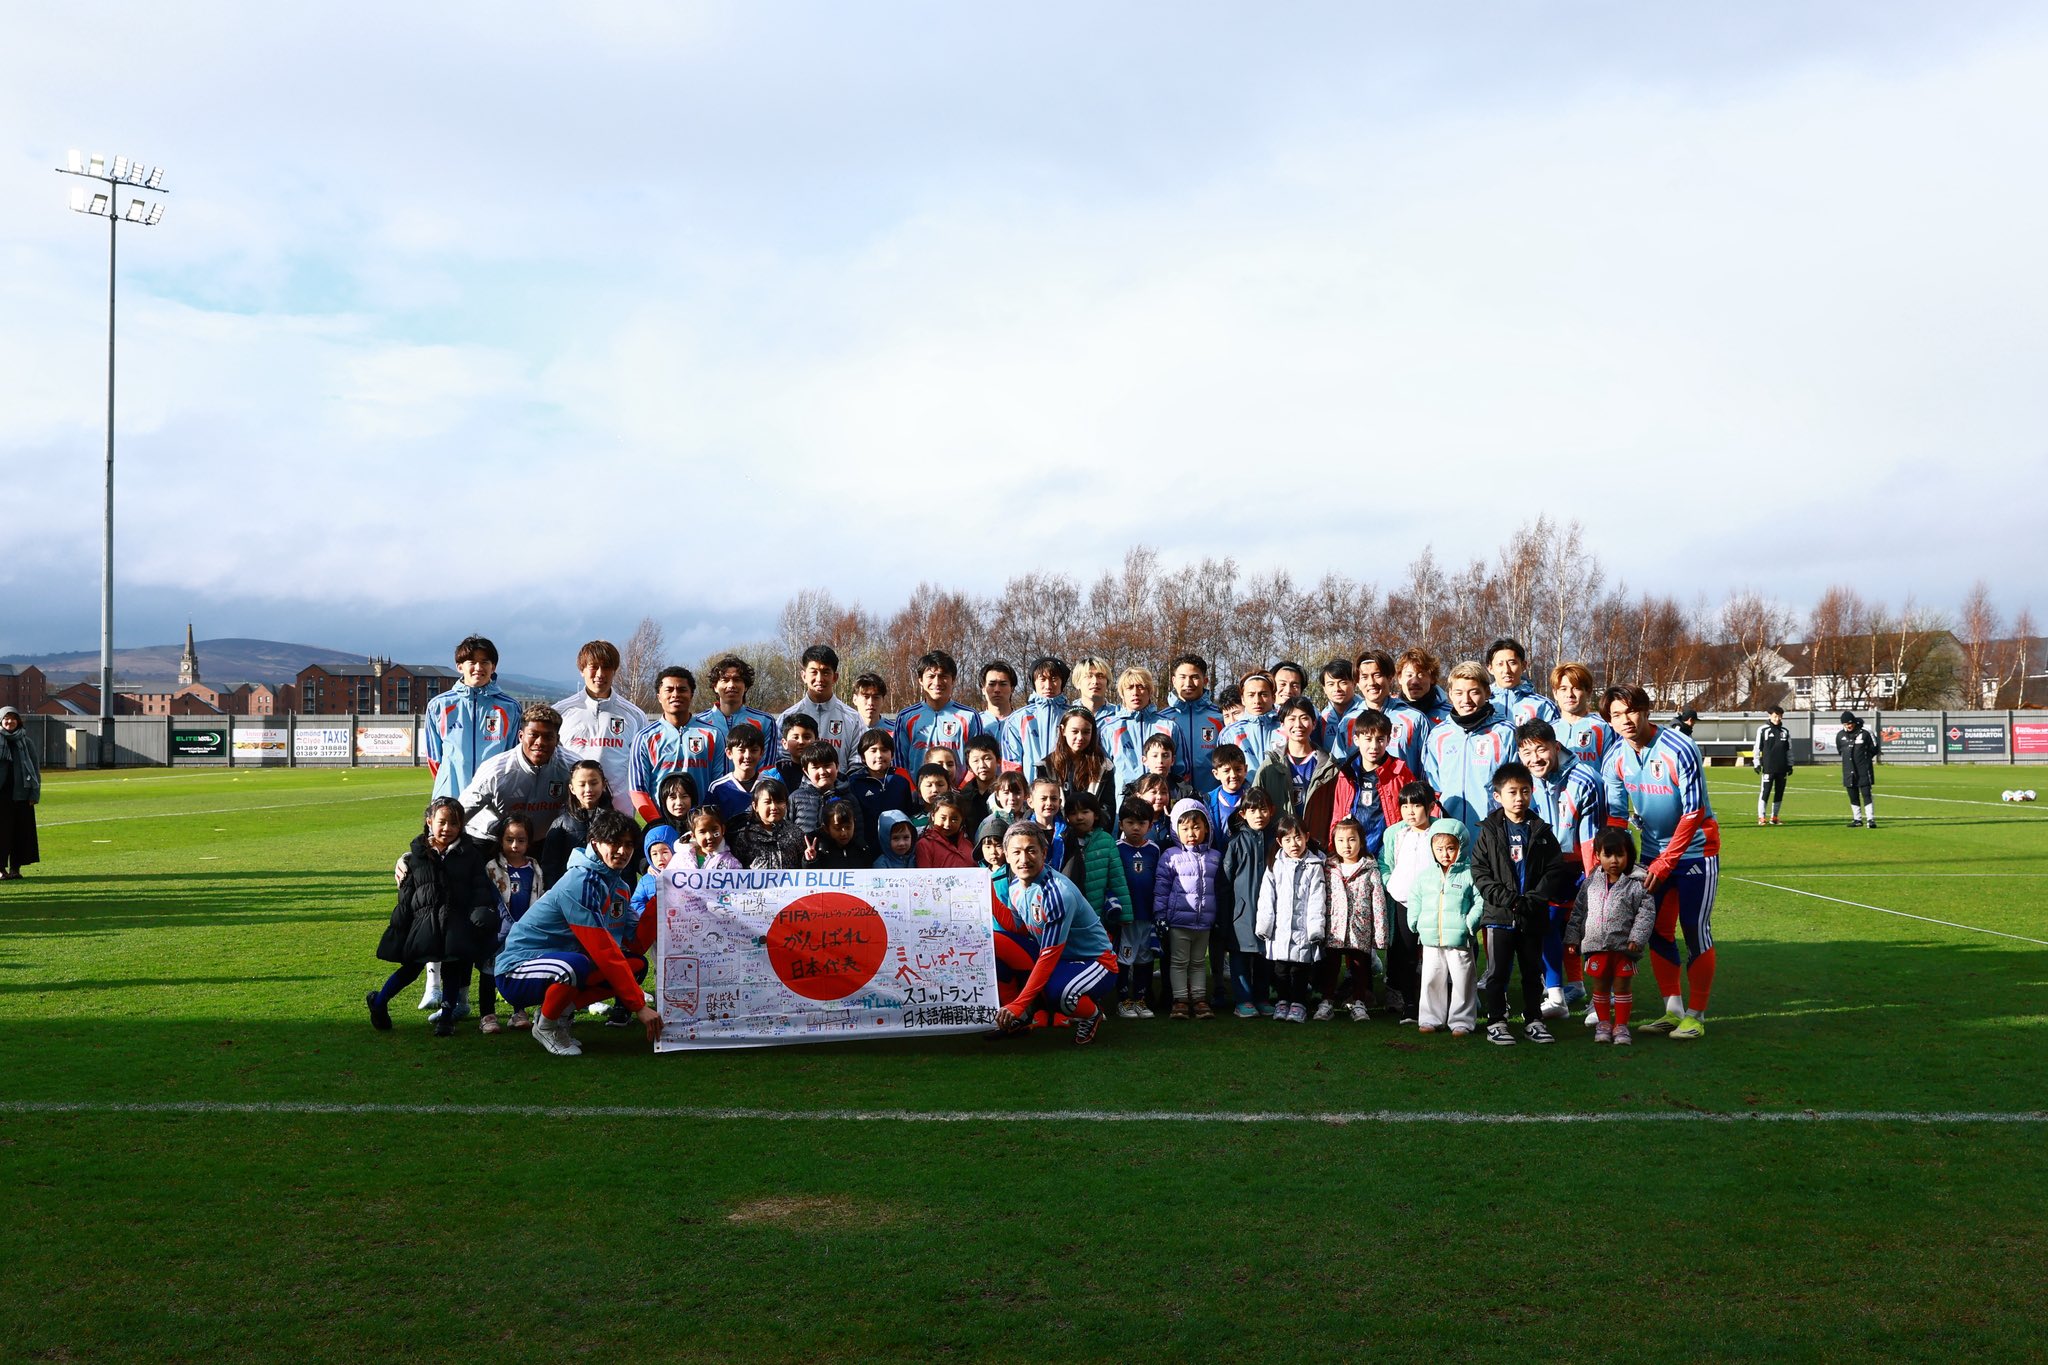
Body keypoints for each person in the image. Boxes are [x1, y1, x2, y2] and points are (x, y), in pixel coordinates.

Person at [493, 807, 664, 1057]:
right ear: (594, 842)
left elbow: (635, 943)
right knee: (575, 966)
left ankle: (556, 1015)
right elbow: (602, 949)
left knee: (635, 965)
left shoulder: (619, 887)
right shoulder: (581, 881)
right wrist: (639, 1006)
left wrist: (661, 901)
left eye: (628, 844)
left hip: (564, 962)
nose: (622, 851)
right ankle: (547, 1027)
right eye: (614, 842)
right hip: (517, 969)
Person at [1601, 684, 1720, 1040]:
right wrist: (1614, 860)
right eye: (1616, 715)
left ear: (1647, 710)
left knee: (1695, 930)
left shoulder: (1679, 748)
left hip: (1696, 852)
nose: (1626, 720)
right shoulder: (1615, 757)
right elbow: (1617, 816)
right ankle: (1673, 1011)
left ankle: (1696, 1016)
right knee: (1655, 931)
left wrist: (1668, 860)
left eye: (1631, 711)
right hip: (1653, 856)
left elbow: (1694, 810)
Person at [366, 796, 497, 1037]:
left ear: (462, 826)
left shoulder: (469, 854)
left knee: (452, 968)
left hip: (456, 922)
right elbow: (406, 895)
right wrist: (400, 925)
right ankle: (380, 1001)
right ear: (429, 822)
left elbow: (479, 886)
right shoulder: (416, 855)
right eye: (442, 822)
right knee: (411, 969)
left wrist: (481, 912)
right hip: (423, 923)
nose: (448, 829)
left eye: (455, 824)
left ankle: (446, 1018)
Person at [1470, 762, 1574, 1046]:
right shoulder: (1489, 831)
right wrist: (1508, 899)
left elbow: (1554, 870)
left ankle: (1533, 1020)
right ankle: (1497, 1021)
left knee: (1532, 971)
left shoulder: (1541, 830)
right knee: (1497, 972)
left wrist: (1533, 899)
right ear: (1497, 796)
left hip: (1532, 914)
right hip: (1499, 916)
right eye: (1512, 792)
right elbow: (1480, 872)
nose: (1519, 798)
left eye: (1525, 791)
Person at [991, 819, 1119, 1044]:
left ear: (1044, 852)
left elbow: (1049, 956)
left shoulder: (1058, 894)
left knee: (1060, 994)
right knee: (995, 945)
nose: (1024, 859)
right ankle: (1022, 1016)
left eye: (1031, 850)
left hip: (1095, 961)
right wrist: (988, 898)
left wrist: (1020, 1002)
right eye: (1017, 852)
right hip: (1059, 959)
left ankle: (1092, 1015)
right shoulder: (1015, 886)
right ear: (1007, 856)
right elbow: (1018, 928)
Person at [1516, 719, 1603, 1021]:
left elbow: (1592, 837)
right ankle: (1556, 997)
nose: (1534, 759)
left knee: (1592, 929)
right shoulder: (1523, 780)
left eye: (1540, 750)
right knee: (1546, 925)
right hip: (1546, 867)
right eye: (1526, 753)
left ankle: (1600, 1000)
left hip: (1581, 864)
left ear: (1555, 746)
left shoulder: (1585, 779)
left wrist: (1595, 884)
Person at [1566, 827, 1660, 1045]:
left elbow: (1646, 914)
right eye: (1608, 855)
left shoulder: (1638, 882)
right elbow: (1579, 910)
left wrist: (1637, 938)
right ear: (1598, 855)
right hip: (1596, 945)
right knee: (1599, 987)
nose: (1614, 860)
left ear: (1629, 855)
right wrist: (1572, 937)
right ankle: (1603, 1023)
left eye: (1619, 854)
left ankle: (1621, 1026)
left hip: (1624, 948)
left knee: (1621, 987)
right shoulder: (1591, 882)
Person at [457, 702, 575, 844]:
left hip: (541, 840)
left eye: (548, 737)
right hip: (491, 839)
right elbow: (461, 812)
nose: (540, 742)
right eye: (533, 735)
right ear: (521, 736)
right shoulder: (496, 770)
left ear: (557, 739)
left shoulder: (573, 768)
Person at [554, 640, 647, 817]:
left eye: (606, 667)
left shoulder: (635, 715)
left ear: (614, 671)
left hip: (619, 812)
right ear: (582, 670)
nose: (600, 673)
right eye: (593, 667)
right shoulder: (561, 712)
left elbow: (641, 767)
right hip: (572, 812)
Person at [424, 635, 523, 801]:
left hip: (494, 799)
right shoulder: (438, 706)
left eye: (484, 662)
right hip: (450, 798)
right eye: (472, 662)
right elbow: (434, 759)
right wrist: (448, 784)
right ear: (460, 666)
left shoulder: (510, 707)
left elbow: (514, 757)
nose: (478, 667)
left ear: (493, 667)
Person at [1421, 661, 1520, 830]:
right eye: (1458, 693)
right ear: (1450, 694)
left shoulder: (1505, 733)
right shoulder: (1438, 735)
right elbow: (1433, 788)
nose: (1466, 700)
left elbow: (1517, 786)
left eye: (1474, 692)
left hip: (1492, 832)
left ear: (1487, 692)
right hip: (1450, 836)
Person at [1406, 819, 1481, 1036]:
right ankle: (1430, 1019)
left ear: (1461, 847)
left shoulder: (1469, 875)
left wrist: (1470, 923)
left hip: (1459, 939)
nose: (1445, 854)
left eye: (1450, 848)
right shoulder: (1425, 876)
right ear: (1432, 849)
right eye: (1439, 849)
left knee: (1463, 981)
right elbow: (1416, 898)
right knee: (1430, 978)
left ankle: (1462, 1021)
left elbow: (1480, 901)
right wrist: (1415, 920)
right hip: (1430, 938)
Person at [1377, 781, 1440, 1025]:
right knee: (1405, 953)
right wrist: (1390, 883)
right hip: (1403, 901)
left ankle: (1434, 1003)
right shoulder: (1395, 833)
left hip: (1434, 902)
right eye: (1404, 806)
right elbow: (1385, 861)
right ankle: (1409, 1005)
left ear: (1431, 807)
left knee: (1434, 953)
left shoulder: (1439, 830)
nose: (1410, 811)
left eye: (1416, 805)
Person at [1256, 813, 1328, 1023]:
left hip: (1303, 930)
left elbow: (1317, 898)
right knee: (1281, 969)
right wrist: (1265, 925)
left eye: (1297, 838)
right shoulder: (1274, 865)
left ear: (1306, 837)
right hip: (1280, 929)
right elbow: (1266, 897)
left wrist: (1315, 929)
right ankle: (1282, 1001)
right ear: (1279, 842)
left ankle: (1298, 1003)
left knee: (1300, 968)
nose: (1293, 843)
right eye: (1287, 839)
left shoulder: (1315, 866)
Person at [1153, 799, 1221, 1019]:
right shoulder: (1171, 856)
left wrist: (1218, 915)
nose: (1191, 833)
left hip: (1204, 922)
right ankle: (1180, 1000)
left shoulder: (1215, 857)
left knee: (1199, 962)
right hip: (1178, 921)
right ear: (1176, 830)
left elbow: (1219, 890)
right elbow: (1161, 889)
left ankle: (1200, 1000)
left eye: (1196, 827)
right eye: (1185, 829)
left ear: (1206, 828)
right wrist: (1160, 916)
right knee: (1179, 961)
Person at [1216, 786, 1278, 1017]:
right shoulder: (1235, 843)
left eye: (1263, 809)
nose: (1259, 815)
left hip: (1271, 911)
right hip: (1240, 913)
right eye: (1253, 810)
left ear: (1271, 811)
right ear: (1243, 814)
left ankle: (1262, 998)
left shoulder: (1277, 840)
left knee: (1265, 957)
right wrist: (1224, 915)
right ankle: (1243, 1000)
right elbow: (1224, 882)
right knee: (1240, 958)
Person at [482, 813, 545, 1031]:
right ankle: (487, 1015)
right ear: (501, 840)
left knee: (520, 970)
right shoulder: (493, 867)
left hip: (524, 932)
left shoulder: (535, 867)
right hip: (498, 930)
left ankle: (519, 1011)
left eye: (521, 840)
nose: (515, 845)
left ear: (529, 842)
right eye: (509, 840)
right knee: (489, 969)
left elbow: (539, 897)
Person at [1318, 817, 1384, 1021]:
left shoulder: (1370, 869)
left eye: (1351, 840)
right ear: (1333, 842)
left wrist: (1380, 934)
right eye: (1341, 840)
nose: (1346, 846)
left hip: (1360, 928)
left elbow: (1378, 903)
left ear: (1361, 841)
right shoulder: (1328, 868)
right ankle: (1327, 1001)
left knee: (1359, 967)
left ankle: (1358, 1002)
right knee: (1331, 967)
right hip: (1334, 928)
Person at [1252, 697, 1341, 837]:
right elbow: (1255, 807)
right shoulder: (1269, 766)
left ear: (1314, 723)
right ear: (1282, 724)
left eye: (1304, 718)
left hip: (1317, 846)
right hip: (1280, 847)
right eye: (1291, 719)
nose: (1298, 724)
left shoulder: (1329, 767)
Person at [1060, 792, 1132, 960]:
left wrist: (1125, 914)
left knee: (1098, 954)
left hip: (1097, 912)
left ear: (1096, 814)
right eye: (1073, 813)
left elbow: (1117, 879)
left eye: (1085, 812)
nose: (1079, 817)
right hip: (1070, 912)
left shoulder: (1106, 841)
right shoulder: (1062, 840)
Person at [895, 649, 986, 778]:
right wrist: (912, 791)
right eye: (931, 676)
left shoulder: (969, 716)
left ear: (953, 679)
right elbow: (899, 762)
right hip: (917, 795)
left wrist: (962, 791)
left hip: (959, 795)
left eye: (943, 676)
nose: (937, 682)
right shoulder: (905, 717)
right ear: (920, 680)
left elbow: (977, 759)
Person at [627, 666, 701, 822]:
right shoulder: (644, 738)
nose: (675, 694)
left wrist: (704, 821)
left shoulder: (712, 735)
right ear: (659, 696)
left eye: (682, 689)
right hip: (661, 823)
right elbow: (637, 790)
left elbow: (717, 786)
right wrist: (658, 824)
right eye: (669, 690)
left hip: (701, 826)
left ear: (691, 694)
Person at [693, 654, 784, 779]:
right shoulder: (699, 723)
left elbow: (767, 770)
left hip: (752, 795)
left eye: (737, 680)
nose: (731, 685)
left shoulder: (765, 721)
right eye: (725, 680)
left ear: (746, 686)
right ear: (715, 686)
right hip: (710, 796)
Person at [1114, 798, 1162, 1017]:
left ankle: (1141, 1000)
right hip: (1127, 918)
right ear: (1121, 823)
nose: (1136, 827)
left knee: (1145, 958)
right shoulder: (1117, 849)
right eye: (1130, 822)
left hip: (1148, 916)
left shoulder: (1154, 850)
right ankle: (1123, 1000)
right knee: (1125, 958)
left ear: (1149, 826)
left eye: (1141, 823)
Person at [781, 645, 865, 770]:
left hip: (840, 789)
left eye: (825, 672)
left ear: (835, 677)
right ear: (804, 676)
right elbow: (782, 760)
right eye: (814, 672)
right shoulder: (787, 717)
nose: (819, 679)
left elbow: (857, 764)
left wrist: (840, 786)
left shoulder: (854, 719)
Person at [1099, 665, 1171, 798]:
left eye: (1141, 687)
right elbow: (1103, 776)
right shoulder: (1109, 730)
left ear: (1150, 691)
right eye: (1130, 687)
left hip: (1161, 803)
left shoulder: (1168, 726)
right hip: (1124, 807)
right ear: (1122, 693)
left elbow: (1181, 770)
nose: (1135, 692)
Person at [1161, 653, 1227, 795]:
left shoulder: (1220, 717)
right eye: (1182, 677)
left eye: (1195, 677)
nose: (1188, 683)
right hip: (1174, 799)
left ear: (1205, 680)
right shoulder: (1162, 720)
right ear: (1173, 680)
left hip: (1213, 796)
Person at [540, 760, 611, 887]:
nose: (588, 789)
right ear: (572, 788)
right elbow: (550, 866)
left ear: (604, 785)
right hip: (571, 891)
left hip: (606, 890)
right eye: (582, 785)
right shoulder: (561, 824)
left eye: (594, 783)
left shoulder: (616, 822)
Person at [1001, 655, 1071, 781]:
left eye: (1054, 679)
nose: (1048, 685)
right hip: (1031, 791)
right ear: (1034, 682)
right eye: (1042, 679)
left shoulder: (1073, 716)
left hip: (1068, 789)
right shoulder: (1017, 719)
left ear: (1062, 682)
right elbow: (1012, 764)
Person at [847, 728, 914, 850]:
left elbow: (908, 815)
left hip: (898, 848)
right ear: (862, 757)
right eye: (873, 750)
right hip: (867, 848)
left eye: (884, 750)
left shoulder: (901, 782)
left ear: (892, 755)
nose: (879, 755)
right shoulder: (854, 783)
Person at [1385, 648, 1450, 774]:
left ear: (1432, 678)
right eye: (1409, 675)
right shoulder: (1388, 714)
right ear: (1399, 678)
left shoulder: (1449, 715)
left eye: (1421, 674)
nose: (1414, 681)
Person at [1046, 707, 1118, 815]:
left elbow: (1107, 808)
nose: (1080, 737)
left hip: (1093, 830)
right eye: (1074, 731)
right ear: (1063, 730)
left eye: (1086, 732)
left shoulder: (1104, 767)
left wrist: (1090, 828)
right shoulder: (1046, 766)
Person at [727, 778, 808, 869]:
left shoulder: (795, 834)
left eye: (779, 801)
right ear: (755, 806)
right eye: (767, 802)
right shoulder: (744, 836)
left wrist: (810, 861)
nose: (774, 807)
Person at [1549, 662, 1616, 769]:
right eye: (1563, 689)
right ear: (1555, 693)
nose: (1569, 694)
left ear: (1588, 692)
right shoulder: (1548, 730)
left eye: (1576, 688)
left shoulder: (1604, 728)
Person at [0, 706, 40, 880]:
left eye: (13, 718)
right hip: (1, 795)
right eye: (6, 718)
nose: (10, 721)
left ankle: (16, 869)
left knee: (20, 833)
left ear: (18, 721)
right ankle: (1, 870)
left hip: (22, 794)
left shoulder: (26, 742)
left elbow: (35, 770)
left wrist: (34, 794)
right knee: (1, 833)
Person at [1486, 637, 1560, 729]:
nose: (1506, 670)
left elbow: (1555, 741)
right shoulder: (1481, 705)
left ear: (1524, 665)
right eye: (1500, 664)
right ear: (1490, 668)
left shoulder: (1543, 706)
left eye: (1512, 663)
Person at [704, 722, 770, 823]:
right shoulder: (717, 788)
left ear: (761, 753)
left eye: (753, 750)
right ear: (729, 753)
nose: (747, 756)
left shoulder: (771, 784)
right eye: (741, 750)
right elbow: (710, 823)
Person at [1218, 670, 1278, 773]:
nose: (1257, 701)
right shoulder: (1230, 733)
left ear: (1273, 698)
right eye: (1251, 695)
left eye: (1263, 694)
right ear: (1243, 700)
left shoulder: (1286, 728)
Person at [1318, 657, 1366, 764]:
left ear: (1354, 683)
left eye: (1343, 682)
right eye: (1331, 684)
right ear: (1324, 689)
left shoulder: (1367, 712)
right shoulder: (1322, 717)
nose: (1337, 689)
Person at [1839, 710, 1880, 829]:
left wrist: (1865, 759)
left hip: (1864, 769)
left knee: (1866, 794)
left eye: (1850, 723)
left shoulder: (1866, 733)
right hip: (1848, 770)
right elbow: (1840, 750)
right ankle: (1857, 819)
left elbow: (1875, 748)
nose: (1849, 726)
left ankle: (1870, 819)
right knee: (1853, 795)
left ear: (1855, 722)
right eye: (1846, 724)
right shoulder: (1840, 735)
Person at [1754, 704, 1794, 826]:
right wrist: (1756, 763)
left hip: (1782, 768)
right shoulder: (1762, 730)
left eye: (1780, 716)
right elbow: (1757, 748)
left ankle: (1774, 817)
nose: (1777, 719)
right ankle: (1761, 817)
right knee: (1765, 791)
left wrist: (1790, 764)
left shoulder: (1785, 732)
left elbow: (1789, 750)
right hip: (1768, 767)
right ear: (1770, 716)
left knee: (1779, 792)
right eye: (1775, 716)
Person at [915, 794, 976, 868]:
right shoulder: (925, 845)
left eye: (954, 819)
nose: (947, 824)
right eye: (943, 818)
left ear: (962, 820)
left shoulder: (968, 844)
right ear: (933, 816)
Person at [1205, 743, 1251, 836]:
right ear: (1216, 774)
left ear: (1245, 769)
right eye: (1226, 771)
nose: (1233, 775)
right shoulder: (1207, 801)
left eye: (1238, 769)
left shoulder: (1252, 799)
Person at [680, 807, 740, 871]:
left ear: (723, 830)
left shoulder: (731, 863)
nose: (709, 836)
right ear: (693, 835)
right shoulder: (681, 859)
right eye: (702, 832)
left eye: (714, 830)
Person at [979, 659, 1019, 731]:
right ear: (983, 689)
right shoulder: (975, 723)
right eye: (991, 684)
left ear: (1012, 689)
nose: (997, 689)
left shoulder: (1022, 721)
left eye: (1003, 684)